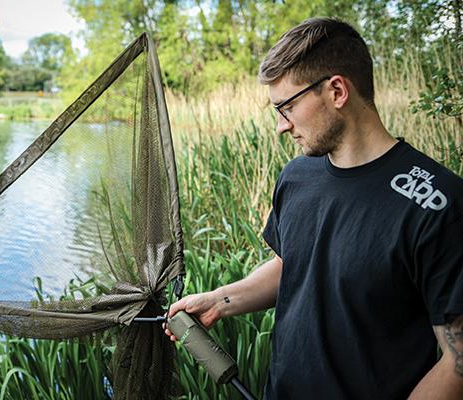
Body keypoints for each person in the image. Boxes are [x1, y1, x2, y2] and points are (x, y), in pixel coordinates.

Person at [163, 17, 463, 399]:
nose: (280, 126)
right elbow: (296, 265)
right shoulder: (297, 176)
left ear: (337, 90)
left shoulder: (438, 204)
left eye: (286, 107)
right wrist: (220, 301)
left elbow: (458, 363)